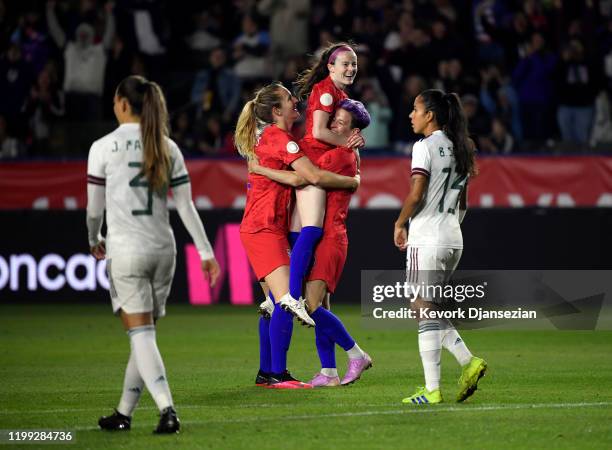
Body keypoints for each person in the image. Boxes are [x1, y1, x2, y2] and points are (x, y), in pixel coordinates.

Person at [86, 75, 220, 432]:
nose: (114, 106)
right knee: (144, 336)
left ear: (124, 105)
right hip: (164, 251)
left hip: (126, 251)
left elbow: (93, 209)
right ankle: (124, 413)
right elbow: (187, 207)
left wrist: (93, 237)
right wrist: (206, 252)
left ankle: (167, 410)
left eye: (116, 101)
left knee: (141, 335)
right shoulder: (167, 147)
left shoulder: (102, 146)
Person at [235, 81, 360, 388]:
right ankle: (279, 373)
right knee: (286, 302)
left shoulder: (270, 136)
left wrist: (265, 172)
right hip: (265, 228)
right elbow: (313, 176)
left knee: (271, 305)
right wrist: (352, 181)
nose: (296, 103)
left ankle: (267, 373)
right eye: (289, 100)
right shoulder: (279, 137)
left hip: (259, 226)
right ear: (277, 111)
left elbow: (296, 175)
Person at [393, 89, 486, 405]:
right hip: (452, 237)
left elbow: (416, 193)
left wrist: (400, 222)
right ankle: (449, 376)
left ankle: (446, 378)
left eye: (415, 109)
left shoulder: (424, 147)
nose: (411, 115)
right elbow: (464, 203)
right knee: (426, 308)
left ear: (429, 115)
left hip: (428, 236)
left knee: (421, 307)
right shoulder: (462, 146)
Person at [280, 42, 364, 322]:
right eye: (345, 63)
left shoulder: (337, 92)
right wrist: (349, 145)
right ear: (330, 66)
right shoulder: (327, 91)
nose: (351, 68)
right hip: (314, 161)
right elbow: (318, 132)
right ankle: (291, 295)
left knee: (298, 228)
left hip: (315, 160)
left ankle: (284, 294)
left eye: (354, 63)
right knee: (312, 229)